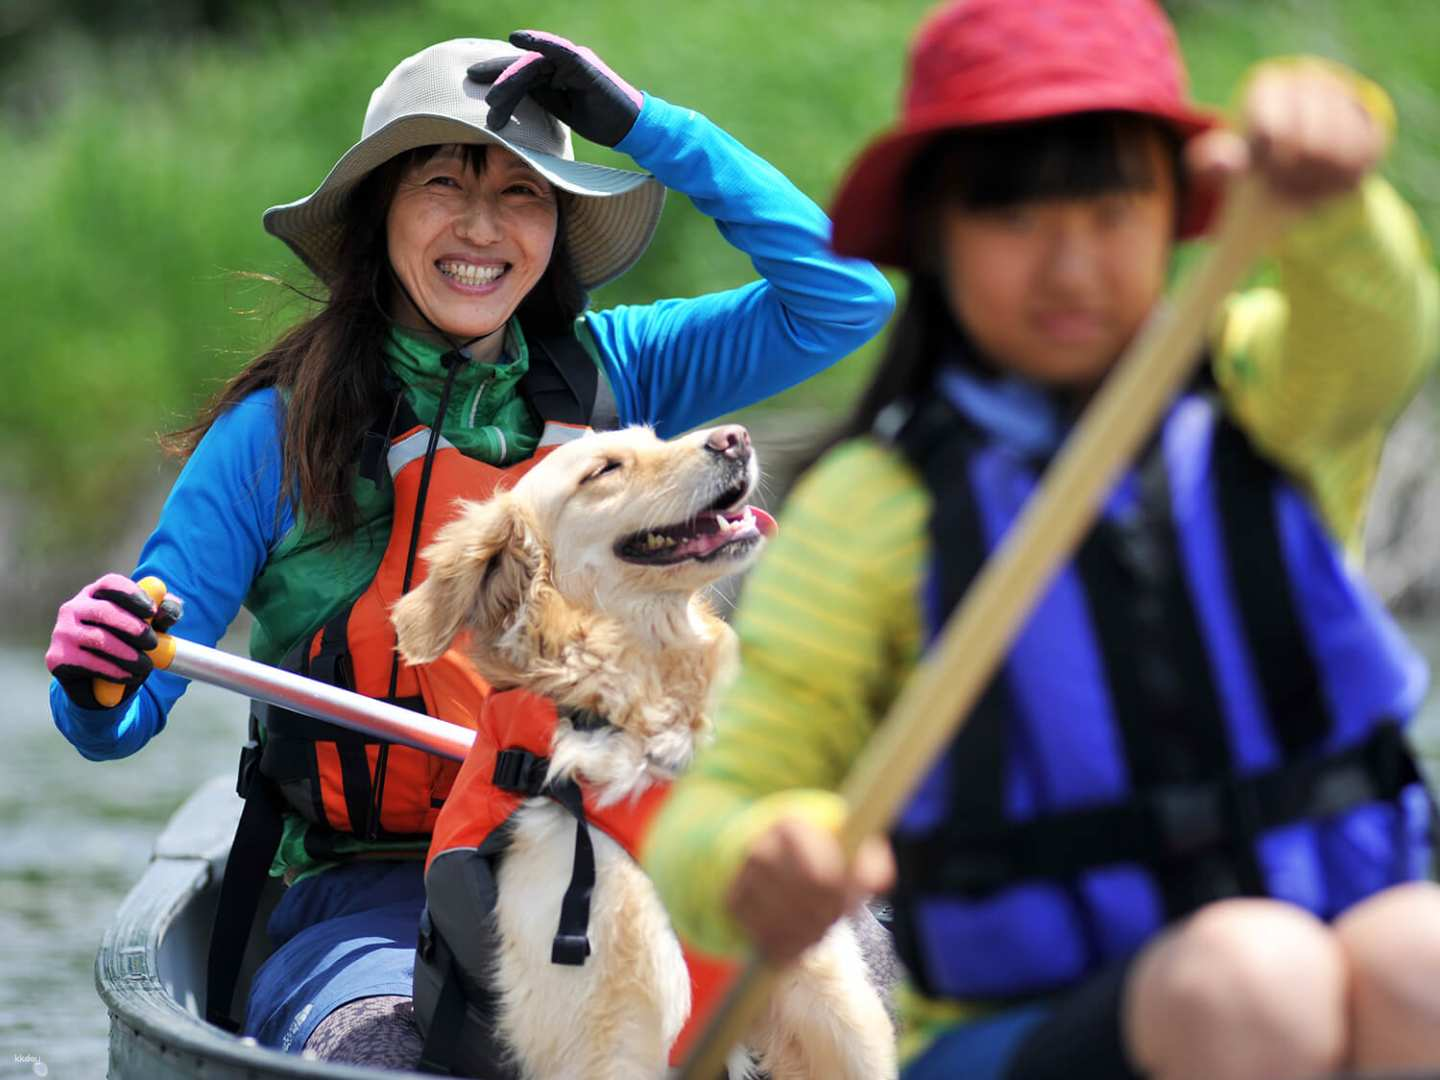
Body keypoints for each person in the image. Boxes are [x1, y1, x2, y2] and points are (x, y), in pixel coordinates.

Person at [44, 32, 894, 1066]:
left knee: (862, 973)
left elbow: (847, 296)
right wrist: (99, 675)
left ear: (557, 225)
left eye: (524, 192)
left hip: (632, 836)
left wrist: (645, 130)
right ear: (381, 214)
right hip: (374, 888)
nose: (482, 228)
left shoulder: (622, 378)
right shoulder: (277, 434)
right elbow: (121, 715)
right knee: (381, 1049)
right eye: (443, 182)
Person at [643, 1, 1440, 1077]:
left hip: (1328, 957)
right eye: (1014, 220)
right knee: (1252, 981)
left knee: (1417, 959)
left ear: (1177, 213)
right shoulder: (879, 506)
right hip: (1020, 1033)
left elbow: (1374, 329)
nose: (1071, 269)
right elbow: (714, 817)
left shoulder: (1265, 399)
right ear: (936, 236)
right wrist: (752, 859)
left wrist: (1338, 205)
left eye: (1113, 211)